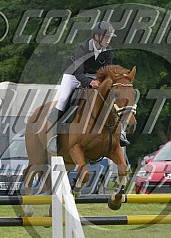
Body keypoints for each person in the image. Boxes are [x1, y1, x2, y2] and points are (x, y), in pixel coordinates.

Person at [47, 21, 130, 153]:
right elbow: (78, 72)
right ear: (97, 36)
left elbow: (107, 71)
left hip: (93, 75)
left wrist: (106, 81)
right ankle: (54, 137)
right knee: (63, 100)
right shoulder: (83, 49)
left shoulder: (108, 51)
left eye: (109, 37)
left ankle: (121, 132)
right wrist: (88, 82)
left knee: (111, 97)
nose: (108, 40)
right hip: (73, 75)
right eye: (106, 37)